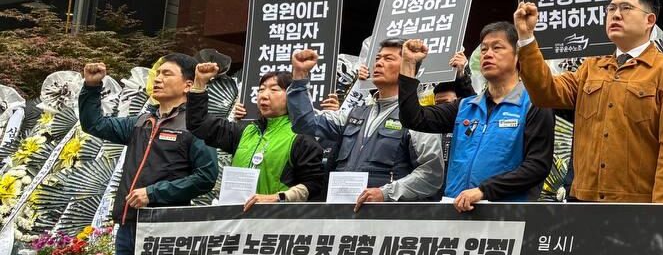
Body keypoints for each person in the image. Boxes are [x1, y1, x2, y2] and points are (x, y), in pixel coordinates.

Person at [513, 0, 663, 203]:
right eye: (611, 9)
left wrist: (661, 213)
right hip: (583, 202)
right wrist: (526, 38)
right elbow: (545, 92)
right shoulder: (591, 67)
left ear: (649, 20)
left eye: (626, 8)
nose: (615, 15)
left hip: (636, 207)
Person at [396, 22, 555, 212]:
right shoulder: (465, 106)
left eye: (497, 48)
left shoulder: (534, 104)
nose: (488, 54)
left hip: (507, 216)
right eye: (484, 49)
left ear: (517, 55)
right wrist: (408, 64)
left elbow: (537, 166)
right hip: (457, 210)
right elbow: (413, 118)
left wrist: (484, 191)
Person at [78, 56, 219, 255]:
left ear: (188, 86)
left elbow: (206, 177)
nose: (158, 79)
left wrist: (153, 193)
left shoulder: (196, 127)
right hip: (127, 227)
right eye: (158, 73)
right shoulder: (140, 123)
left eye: (167, 74)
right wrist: (91, 86)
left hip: (165, 229)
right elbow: (94, 124)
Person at [288, 40, 446, 209]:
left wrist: (386, 193)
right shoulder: (352, 114)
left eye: (388, 59)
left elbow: (431, 174)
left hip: (388, 216)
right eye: (378, 58)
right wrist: (300, 77)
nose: (379, 63)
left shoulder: (419, 118)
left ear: (408, 67)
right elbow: (306, 123)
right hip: (342, 213)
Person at [186, 66, 328, 209]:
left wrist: (278, 198)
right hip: (236, 217)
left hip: (276, 217)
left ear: (292, 96)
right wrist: (199, 83)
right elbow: (199, 124)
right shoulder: (245, 130)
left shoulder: (301, 137)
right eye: (261, 90)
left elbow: (313, 184)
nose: (264, 95)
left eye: (274, 90)